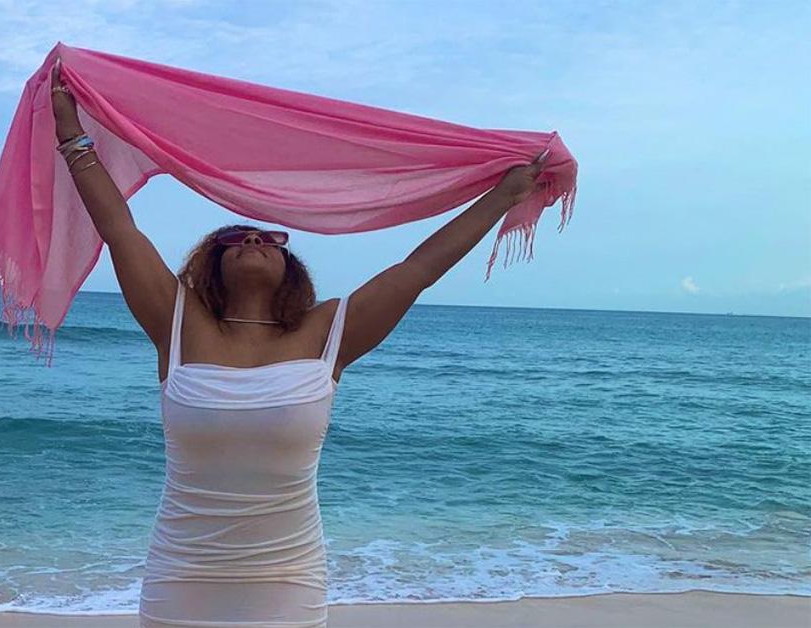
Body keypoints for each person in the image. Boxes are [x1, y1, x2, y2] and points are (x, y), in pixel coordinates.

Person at [50, 61, 543, 628]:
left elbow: (418, 268)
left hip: (287, 580)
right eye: (235, 237)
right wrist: (72, 135)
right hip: (183, 577)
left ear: (292, 264)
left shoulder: (328, 332)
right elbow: (119, 228)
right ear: (211, 262)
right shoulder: (177, 323)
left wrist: (504, 196)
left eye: (270, 237)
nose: (254, 238)